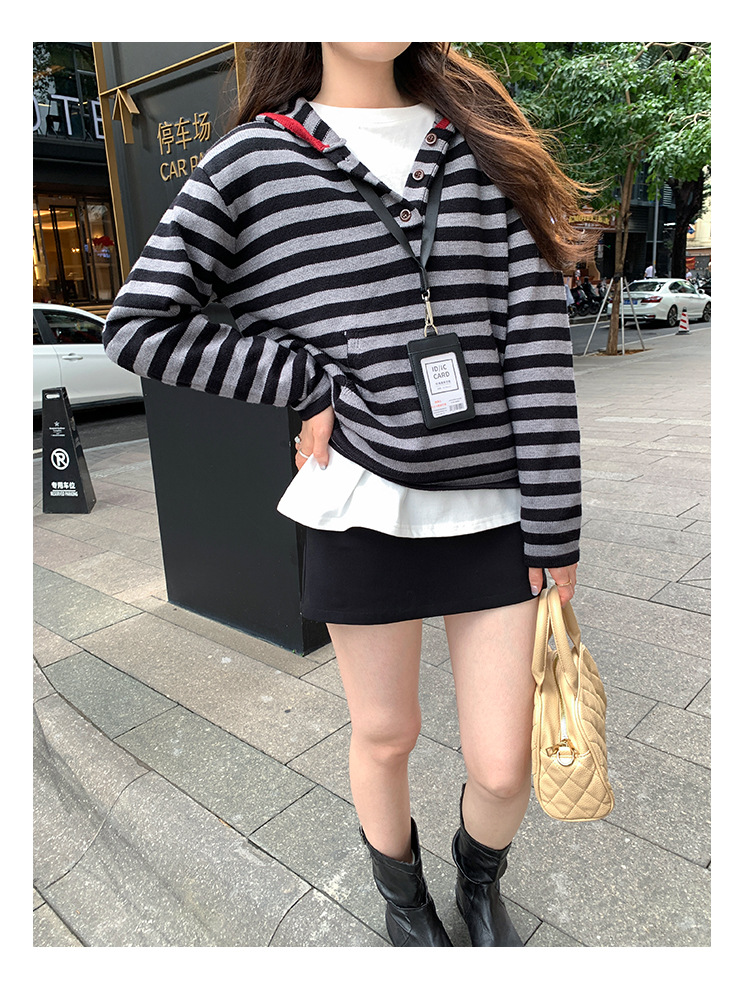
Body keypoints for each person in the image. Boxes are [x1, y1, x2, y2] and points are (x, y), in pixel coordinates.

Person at [102, 42, 587, 948]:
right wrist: (304, 380)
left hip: (497, 511)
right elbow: (141, 324)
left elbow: (536, 347)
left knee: (504, 763)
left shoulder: (486, 143)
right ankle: (405, 901)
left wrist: (557, 527)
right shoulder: (254, 159)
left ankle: (479, 880)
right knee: (387, 734)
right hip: (361, 502)